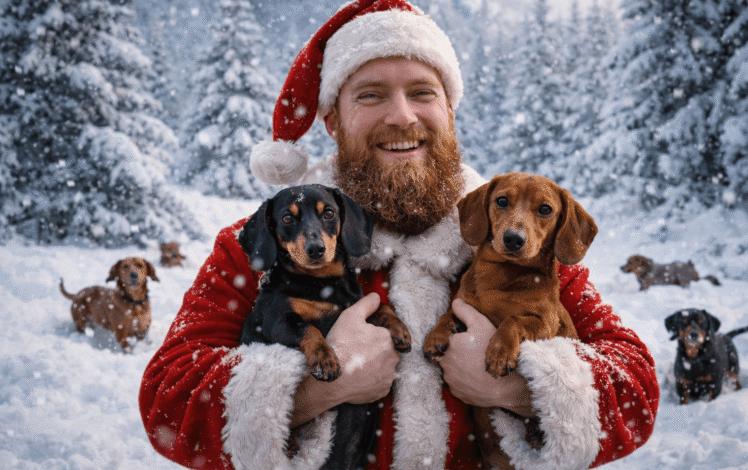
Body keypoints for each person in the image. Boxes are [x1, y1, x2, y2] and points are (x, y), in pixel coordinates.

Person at [139, 1, 659, 469]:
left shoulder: (514, 244)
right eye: (370, 95)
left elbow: (636, 385)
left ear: (449, 113)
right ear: (332, 122)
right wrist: (316, 388)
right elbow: (167, 396)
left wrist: (518, 385)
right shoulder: (264, 242)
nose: (402, 116)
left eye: (421, 92)